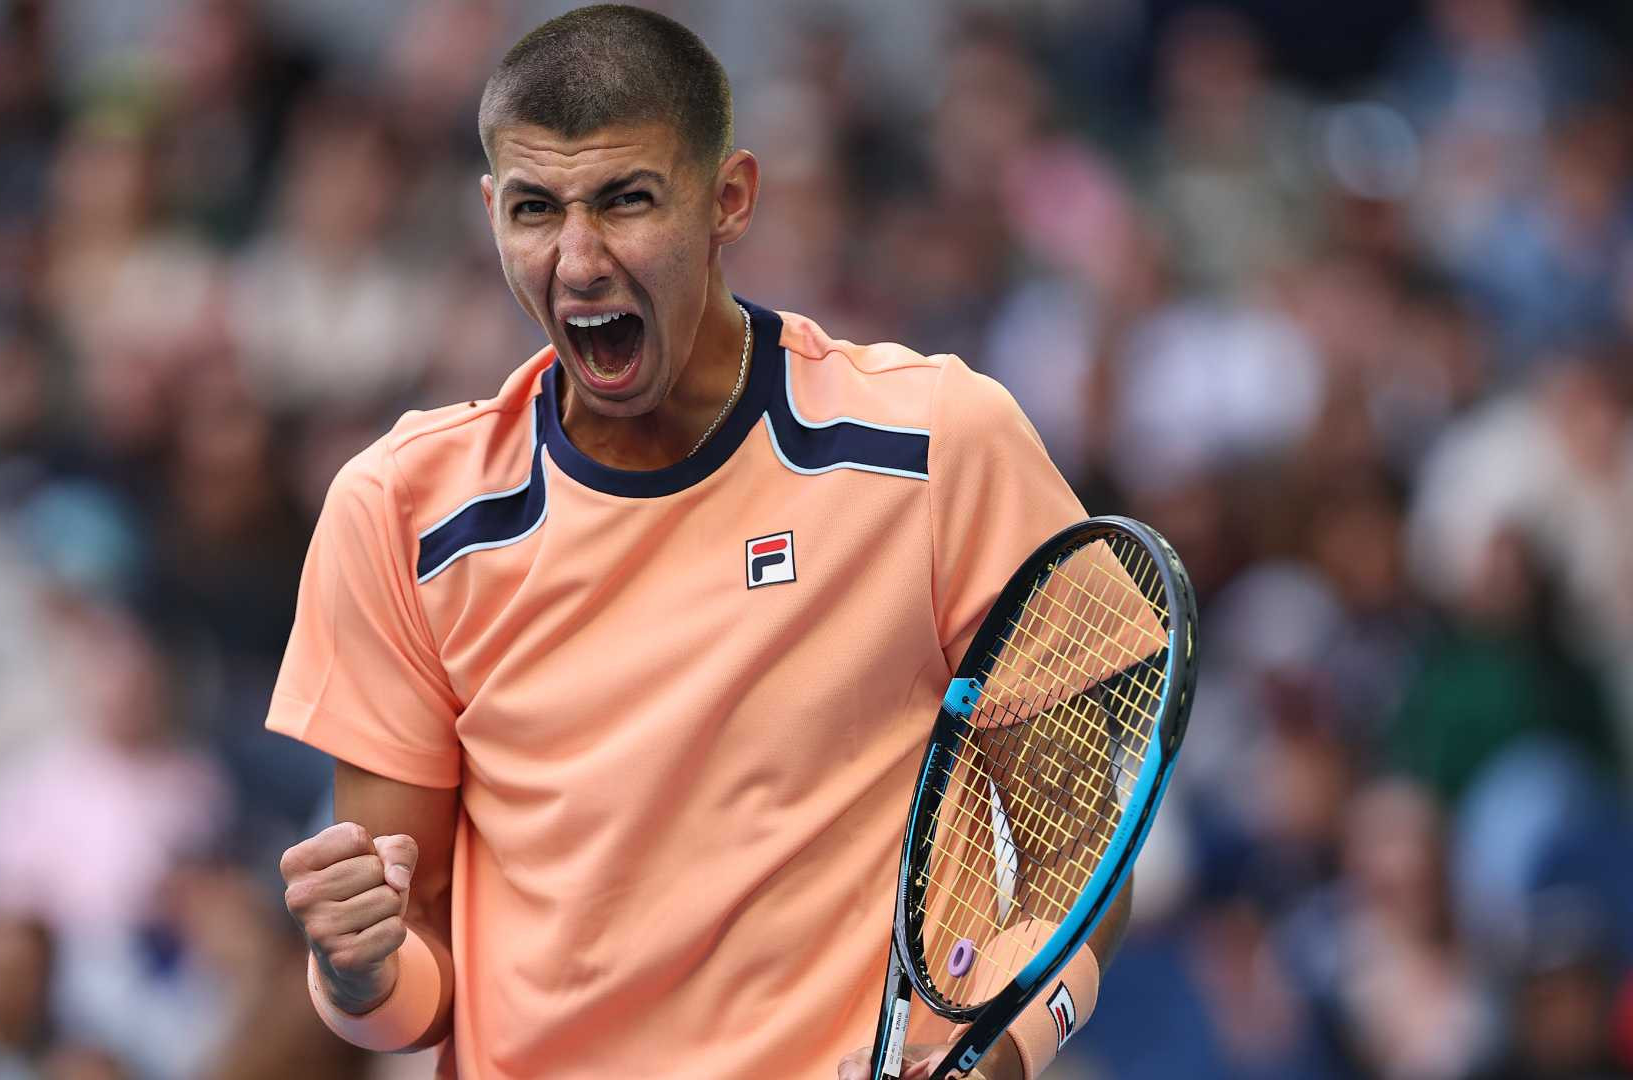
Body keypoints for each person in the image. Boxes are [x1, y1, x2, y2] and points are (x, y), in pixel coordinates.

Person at [269, 6, 1132, 1077]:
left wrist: (999, 1057)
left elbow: (1085, 858)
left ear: (730, 200)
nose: (578, 260)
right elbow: (416, 983)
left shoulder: (937, 445)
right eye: (536, 210)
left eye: (626, 200)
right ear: (491, 213)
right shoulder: (400, 513)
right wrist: (357, 976)